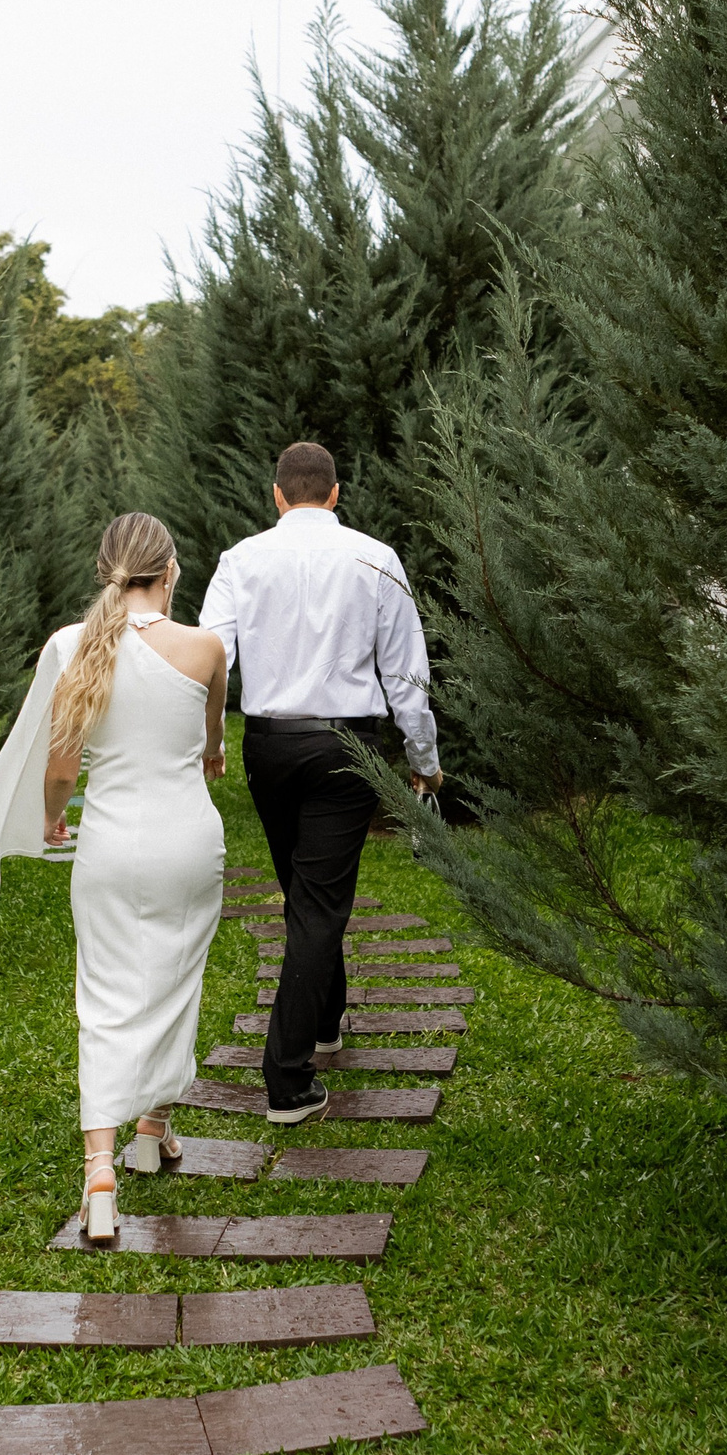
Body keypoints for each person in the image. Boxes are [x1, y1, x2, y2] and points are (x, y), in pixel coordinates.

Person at [0, 513, 228, 1243]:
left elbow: (61, 770)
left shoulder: (69, 646)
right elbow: (212, 745)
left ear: (104, 570)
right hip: (189, 840)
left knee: (103, 995)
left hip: (111, 844)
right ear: (173, 570)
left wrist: (53, 819)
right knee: (175, 978)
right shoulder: (208, 646)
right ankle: (154, 1124)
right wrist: (209, 754)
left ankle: (102, 1169)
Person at [198, 441, 443, 1125]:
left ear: (278, 496)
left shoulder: (239, 561)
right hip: (347, 747)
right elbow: (406, 675)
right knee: (317, 901)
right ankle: (287, 1077)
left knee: (307, 894)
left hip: (269, 746)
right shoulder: (376, 558)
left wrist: (207, 738)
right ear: (334, 494)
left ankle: (327, 1015)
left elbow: (211, 658)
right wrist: (424, 759)